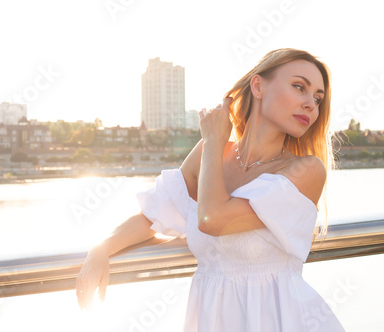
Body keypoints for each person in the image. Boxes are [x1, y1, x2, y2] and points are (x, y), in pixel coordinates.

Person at [76, 48, 346, 331]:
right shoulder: (209, 151)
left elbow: (212, 220)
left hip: (280, 320)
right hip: (210, 317)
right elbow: (153, 216)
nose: (310, 105)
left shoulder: (307, 170)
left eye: (317, 99)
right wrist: (101, 249)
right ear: (258, 86)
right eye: (299, 87)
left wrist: (214, 142)